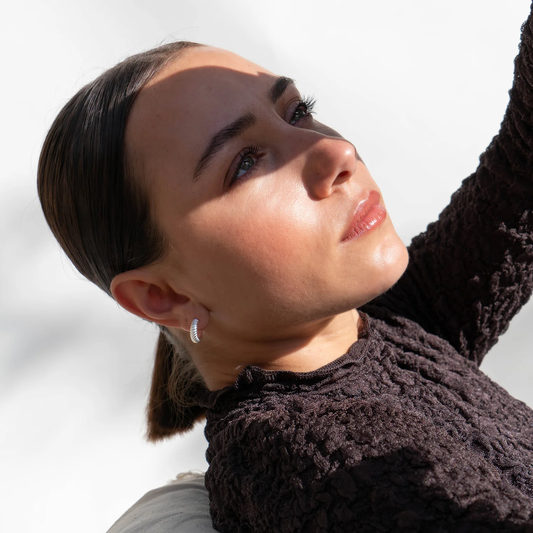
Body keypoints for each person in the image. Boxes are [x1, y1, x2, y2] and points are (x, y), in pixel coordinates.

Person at [38, 3, 533, 531]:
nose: (337, 151)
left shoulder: (390, 324)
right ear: (164, 296)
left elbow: (521, 164)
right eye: (245, 163)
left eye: (297, 112)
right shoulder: (304, 461)